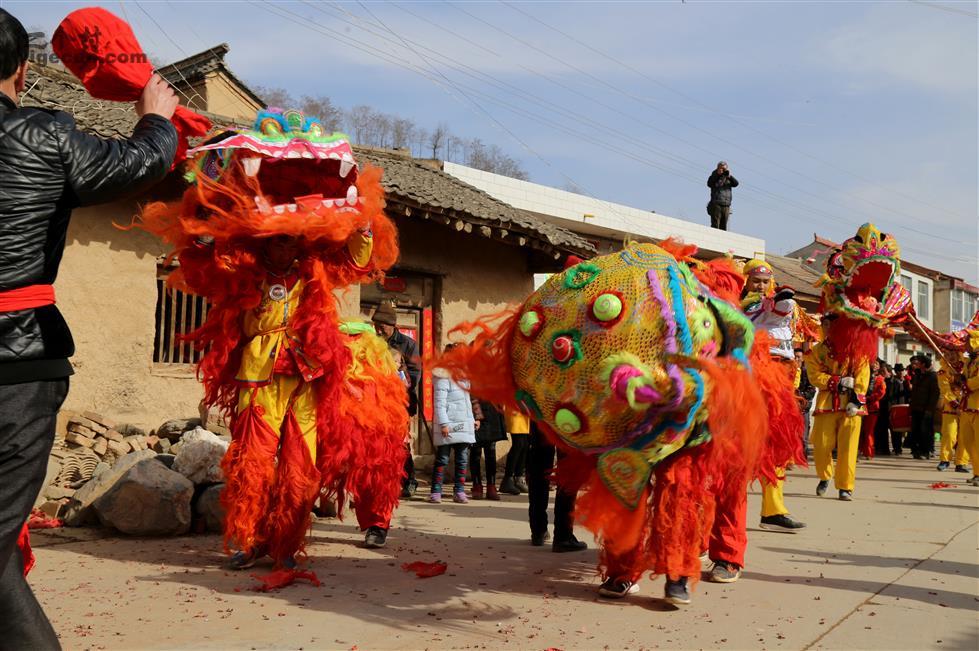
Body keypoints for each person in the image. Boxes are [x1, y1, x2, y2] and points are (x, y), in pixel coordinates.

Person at [0, 9, 178, 647]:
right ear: (22, 68)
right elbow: (140, 162)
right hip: (19, 363)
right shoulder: (45, 136)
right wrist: (155, 113)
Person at [806, 317, 870, 501]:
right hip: (826, 403)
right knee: (821, 445)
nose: (829, 328)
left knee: (848, 448)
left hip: (851, 406)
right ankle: (825, 476)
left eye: (834, 324)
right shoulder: (816, 351)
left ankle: (845, 487)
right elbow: (814, 375)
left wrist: (856, 401)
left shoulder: (858, 350)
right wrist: (837, 381)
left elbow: (863, 376)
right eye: (825, 324)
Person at [372, 303, 421, 497]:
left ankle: (409, 479)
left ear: (392, 324)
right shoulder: (373, 340)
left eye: (382, 325)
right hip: (376, 401)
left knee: (401, 443)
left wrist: (399, 378)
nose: (378, 329)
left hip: (400, 402)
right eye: (376, 324)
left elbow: (416, 373)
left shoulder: (408, 344)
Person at [526, 422, 588, 552]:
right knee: (568, 467)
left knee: (539, 462)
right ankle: (563, 535)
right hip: (568, 411)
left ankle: (538, 530)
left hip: (541, 408)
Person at [431, 348, 477, 504]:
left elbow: (468, 403)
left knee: (462, 460)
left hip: (464, 425)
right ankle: (436, 491)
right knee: (442, 459)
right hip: (448, 425)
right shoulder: (443, 377)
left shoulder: (465, 379)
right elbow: (439, 403)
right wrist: (444, 423)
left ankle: (459, 491)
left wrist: (473, 420)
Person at [936, 355, 969, 472]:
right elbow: (945, 390)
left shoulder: (968, 367)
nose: (951, 356)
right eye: (948, 353)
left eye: (953, 352)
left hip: (967, 407)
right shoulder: (942, 372)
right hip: (951, 409)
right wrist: (956, 405)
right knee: (949, 434)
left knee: (965, 436)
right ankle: (945, 460)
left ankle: (961, 462)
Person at [470, 400, 506, 500]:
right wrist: (477, 416)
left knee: (491, 452)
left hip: (492, 414)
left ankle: (491, 486)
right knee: (475, 452)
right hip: (478, 417)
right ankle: (477, 486)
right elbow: (473, 396)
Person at [909, 355, 939, 460]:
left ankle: (925, 451)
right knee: (915, 430)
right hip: (916, 408)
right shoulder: (917, 375)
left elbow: (935, 395)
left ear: (923, 364)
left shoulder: (933, 376)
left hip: (926, 409)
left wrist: (929, 410)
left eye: (918, 363)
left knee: (925, 431)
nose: (916, 364)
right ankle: (916, 451)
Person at [859, 359, 887, 460]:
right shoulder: (863, 376)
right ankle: (861, 450)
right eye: (873, 363)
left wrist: (869, 398)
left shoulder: (880, 379)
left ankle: (869, 452)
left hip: (872, 408)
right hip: (862, 406)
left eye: (876, 364)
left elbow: (881, 393)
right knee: (860, 431)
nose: (874, 365)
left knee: (868, 431)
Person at [500, 407, 531, 495]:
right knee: (519, 444)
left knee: (525, 445)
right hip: (514, 409)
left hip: (525, 411)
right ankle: (507, 479)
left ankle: (519, 477)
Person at [795, 348, 817, 456]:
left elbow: (812, 389)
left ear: (803, 358)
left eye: (799, 357)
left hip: (803, 406)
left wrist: (801, 397)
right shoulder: (789, 370)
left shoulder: (806, 372)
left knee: (803, 433)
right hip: (791, 406)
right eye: (795, 357)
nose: (796, 359)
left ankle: (802, 455)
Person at [706, 161, 739, 230]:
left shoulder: (728, 177)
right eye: (721, 168)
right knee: (715, 224)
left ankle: (722, 240)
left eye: (724, 169)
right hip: (716, 203)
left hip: (726, 204)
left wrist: (729, 176)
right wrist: (718, 174)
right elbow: (709, 184)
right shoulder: (714, 175)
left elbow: (736, 184)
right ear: (718, 168)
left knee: (724, 226)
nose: (723, 170)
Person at [890, 363, 909, 455]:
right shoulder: (893, 382)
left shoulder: (905, 381)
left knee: (902, 429)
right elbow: (891, 396)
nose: (901, 372)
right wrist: (891, 408)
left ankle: (899, 446)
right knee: (895, 430)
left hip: (904, 407)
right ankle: (897, 448)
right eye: (899, 371)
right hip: (896, 407)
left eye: (902, 370)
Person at [874, 363, 893, 456]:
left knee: (884, 429)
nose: (881, 373)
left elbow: (890, 396)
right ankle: (878, 447)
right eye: (881, 371)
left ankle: (885, 449)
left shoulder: (891, 382)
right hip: (879, 407)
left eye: (883, 371)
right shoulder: (879, 380)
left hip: (887, 408)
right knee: (878, 428)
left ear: (889, 372)